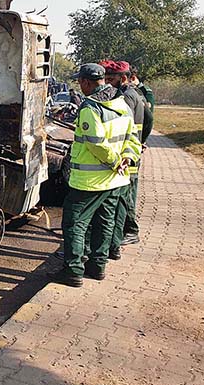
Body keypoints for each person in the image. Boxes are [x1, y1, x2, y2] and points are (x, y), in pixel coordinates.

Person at [48, 63, 140, 287]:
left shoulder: (91, 108)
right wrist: (126, 158)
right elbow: (133, 138)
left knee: (74, 223)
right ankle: (97, 267)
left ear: (87, 83)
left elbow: (96, 143)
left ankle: (73, 271)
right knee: (105, 221)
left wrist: (115, 161)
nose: (79, 86)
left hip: (90, 181)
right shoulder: (121, 103)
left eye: (80, 82)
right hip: (115, 180)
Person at [99, 61, 150, 257]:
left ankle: (127, 233)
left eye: (111, 79)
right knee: (125, 196)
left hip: (126, 155)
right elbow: (149, 119)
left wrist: (137, 142)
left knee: (124, 198)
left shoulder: (126, 97)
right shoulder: (133, 94)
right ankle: (121, 235)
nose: (108, 83)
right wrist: (141, 141)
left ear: (123, 78)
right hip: (131, 150)